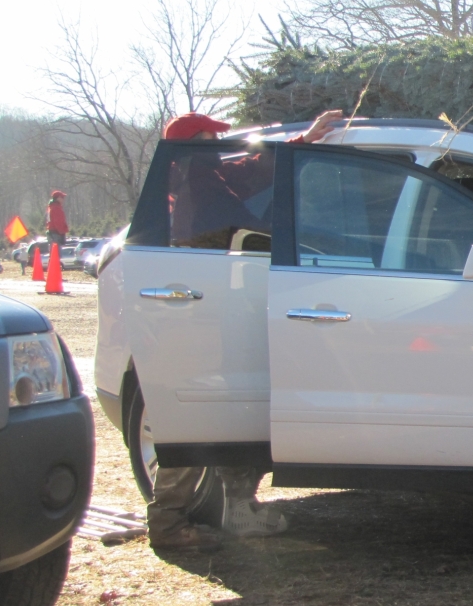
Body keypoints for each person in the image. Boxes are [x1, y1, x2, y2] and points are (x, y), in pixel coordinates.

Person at [146, 109, 346, 553]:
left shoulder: (200, 177)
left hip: (213, 316)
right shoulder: (200, 186)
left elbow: (251, 169)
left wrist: (303, 141)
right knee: (198, 422)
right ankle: (168, 523)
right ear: (193, 146)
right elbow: (249, 196)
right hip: (198, 322)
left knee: (226, 412)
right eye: (210, 138)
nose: (220, 145)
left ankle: (235, 506)